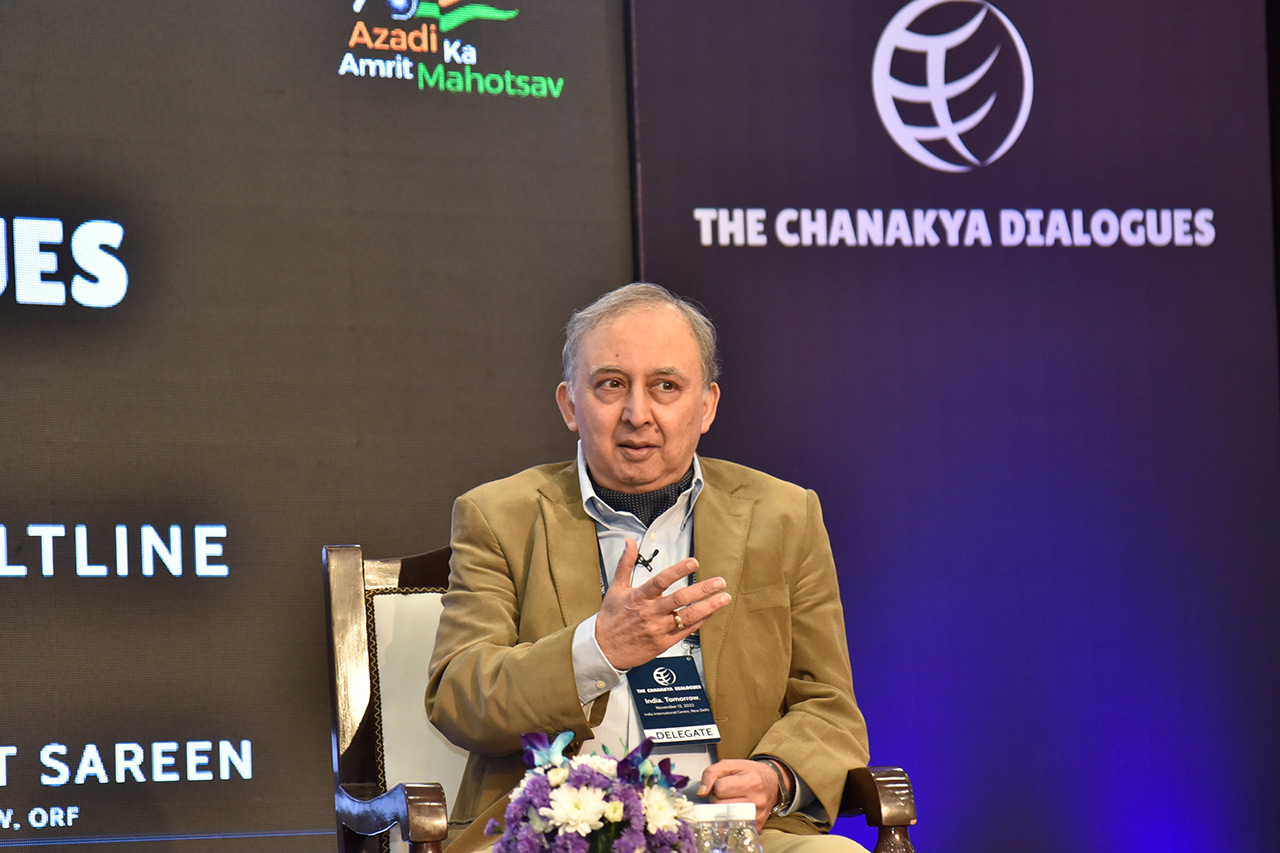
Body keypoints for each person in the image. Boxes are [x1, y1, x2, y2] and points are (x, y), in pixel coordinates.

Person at [426, 283, 869, 852]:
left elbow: (829, 705)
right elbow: (459, 694)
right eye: (611, 384)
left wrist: (777, 777)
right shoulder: (499, 516)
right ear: (570, 405)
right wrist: (597, 650)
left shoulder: (785, 516)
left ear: (706, 406)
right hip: (558, 830)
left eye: (666, 386)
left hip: (726, 832)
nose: (638, 414)